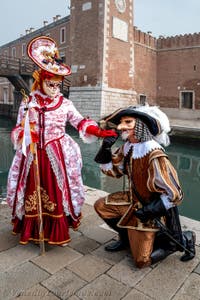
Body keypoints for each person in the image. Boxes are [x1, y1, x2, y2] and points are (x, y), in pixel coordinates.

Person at [6, 36, 116, 247]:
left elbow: (79, 121)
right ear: (41, 80)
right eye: (51, 84)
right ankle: (35, 231)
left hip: (57, 152)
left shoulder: (65, 104)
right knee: (32, 190)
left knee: (57, 190)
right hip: (33, 155)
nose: (55, 88)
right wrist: (26, 135)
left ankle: (57, 230)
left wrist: (99, 132)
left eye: (58, 85)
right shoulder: (29, 102)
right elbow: (18, 127)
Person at [94, 105, 196, 268]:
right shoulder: (128, 147)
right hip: (132, 200)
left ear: (140, 125)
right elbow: (115, 171)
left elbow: (175, 194)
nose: (120, 127)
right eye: (120, 122)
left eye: (128, 122)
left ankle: (185, 238)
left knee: (141, 261)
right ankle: (126, 237)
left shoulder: (154, 154)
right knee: (101, 205)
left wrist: (149, 211)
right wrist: (105, 148)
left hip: (150, 210)